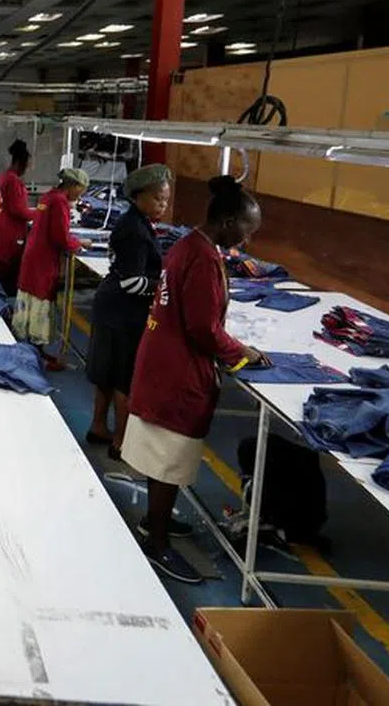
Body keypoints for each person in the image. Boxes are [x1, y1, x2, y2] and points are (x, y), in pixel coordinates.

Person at [122, 175, 269, 584]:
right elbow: (203, 329)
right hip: (178, 371)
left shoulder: (190, 245)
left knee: (161, 454)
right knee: (169, 458)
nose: (247, 241)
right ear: (226, 223)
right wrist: (241, 352)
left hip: (162, 359)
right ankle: (157, 543)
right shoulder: (203, 258)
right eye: (246, 230)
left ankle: (157, 521)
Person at [86, 164, 171, 458]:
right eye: (159, 199)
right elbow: (134, 283)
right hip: (122, 313)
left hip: (112, 308)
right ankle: (121, 442)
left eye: (166, 199)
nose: (164, 204)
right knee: (123, 378)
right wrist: (165, 287)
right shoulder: (134, 229)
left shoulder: (138, 223)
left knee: (107, 374)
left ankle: (99, 426)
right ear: (138, 196)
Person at [12, 167, 91, 370]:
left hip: (34, 255)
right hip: (44, 260)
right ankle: (35, 356)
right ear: (73, 186)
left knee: (30, 303)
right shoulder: (59, 202)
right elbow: (60, 237)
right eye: (81, 190)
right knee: (40, 302)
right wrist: (79, 243)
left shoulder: (49, 197)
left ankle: (32, 352)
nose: (80, 194)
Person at [0, 139, 35, 295]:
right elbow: (19, 211)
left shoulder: (4, 177)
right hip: (9, 238)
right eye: (26, 164)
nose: (27, 168)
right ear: (20, 161)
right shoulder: (14, 181)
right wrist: (41, 213)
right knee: (6, 282)